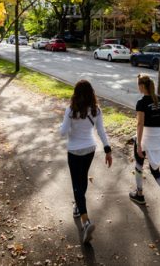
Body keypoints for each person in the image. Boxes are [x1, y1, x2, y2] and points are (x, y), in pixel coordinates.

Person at [60, 80, 113, 244]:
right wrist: (107, 149)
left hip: (74, 150)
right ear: (91, 93)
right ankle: (78, 205)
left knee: (77, 183)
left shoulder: (71, 110)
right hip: (90, 149)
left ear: (76, 93)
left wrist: (66, 127)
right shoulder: (96, 110)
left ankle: (86, 221)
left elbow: (62, 133)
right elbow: (101, 131)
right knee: (82, 178)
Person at [129, 73, 160, 220]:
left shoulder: (141, 102)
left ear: (142, 86)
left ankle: (139, 195)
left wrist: (139, 144)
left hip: (146, 137)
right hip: (158, 137)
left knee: (139, 165)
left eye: (138, 84)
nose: (137, 87)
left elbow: (140, 124)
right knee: (155, 170)